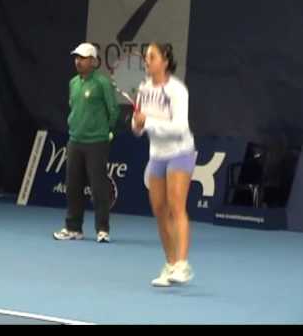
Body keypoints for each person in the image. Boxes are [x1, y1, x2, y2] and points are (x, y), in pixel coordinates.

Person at [132, 43, 196, 285]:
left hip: (180, 150)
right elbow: (137, 127)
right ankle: (169, 265)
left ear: (165, 61)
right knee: (159, 210)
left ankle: (182, 265)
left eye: (151, 56)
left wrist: (147, 121)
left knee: (176, 206)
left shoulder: (178, 91)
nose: (147, 61)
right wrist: (137, 125)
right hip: (157, 154)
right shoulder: (143, 88)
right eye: (146, 57)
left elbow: (180, 127)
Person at [53, 43, 119, 243]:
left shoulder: (102, 83)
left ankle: (102, 230)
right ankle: (73, 228)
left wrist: (107, 131)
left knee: (98, 188)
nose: (78, 61)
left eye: (82, 58)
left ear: (93, 61)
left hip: (96, 142)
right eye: (76, 57)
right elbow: (74, 108)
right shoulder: (73, 83)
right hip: (75, 141)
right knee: (73, 186)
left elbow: (114, 111)